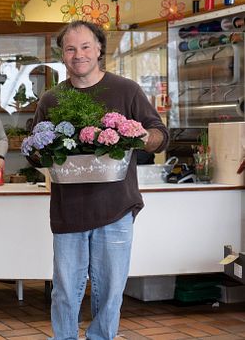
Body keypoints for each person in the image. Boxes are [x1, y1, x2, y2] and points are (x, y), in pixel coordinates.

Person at [30, 20, 169, 340]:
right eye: (70, 49)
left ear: (100, 49)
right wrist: (40, 152)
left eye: (86, 47)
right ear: (62, 55)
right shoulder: (51, 99)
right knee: (64, 290)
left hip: (115, 209)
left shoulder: (126, 90)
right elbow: (34, 152)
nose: (79, 55)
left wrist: (140, 136)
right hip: (68, 211)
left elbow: (161, 136)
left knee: (110, 292)